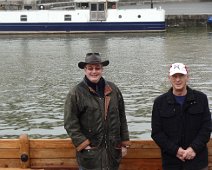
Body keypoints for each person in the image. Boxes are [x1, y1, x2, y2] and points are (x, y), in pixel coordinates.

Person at [64, 52, 130, 170]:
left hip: (112, 154)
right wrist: (84, 144)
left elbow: (122, 117)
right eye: (90, 68)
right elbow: (70, 123)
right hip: (90, 157)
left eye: (97, 68)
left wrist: (124, 143)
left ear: (102, 69)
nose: (94, 71)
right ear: (85, 70)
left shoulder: (113, 89)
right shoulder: (76, 93)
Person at [151, 63, 211, 170]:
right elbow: (157, 133)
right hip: (171, 163)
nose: (178, 80)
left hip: (198, 162)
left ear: (187, 77)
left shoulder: (201, 99)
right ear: (169, 78)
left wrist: (193, 149)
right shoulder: (159, 103)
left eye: (181, 76)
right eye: (174, 76)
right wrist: (176, 150)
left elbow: (206, 128)